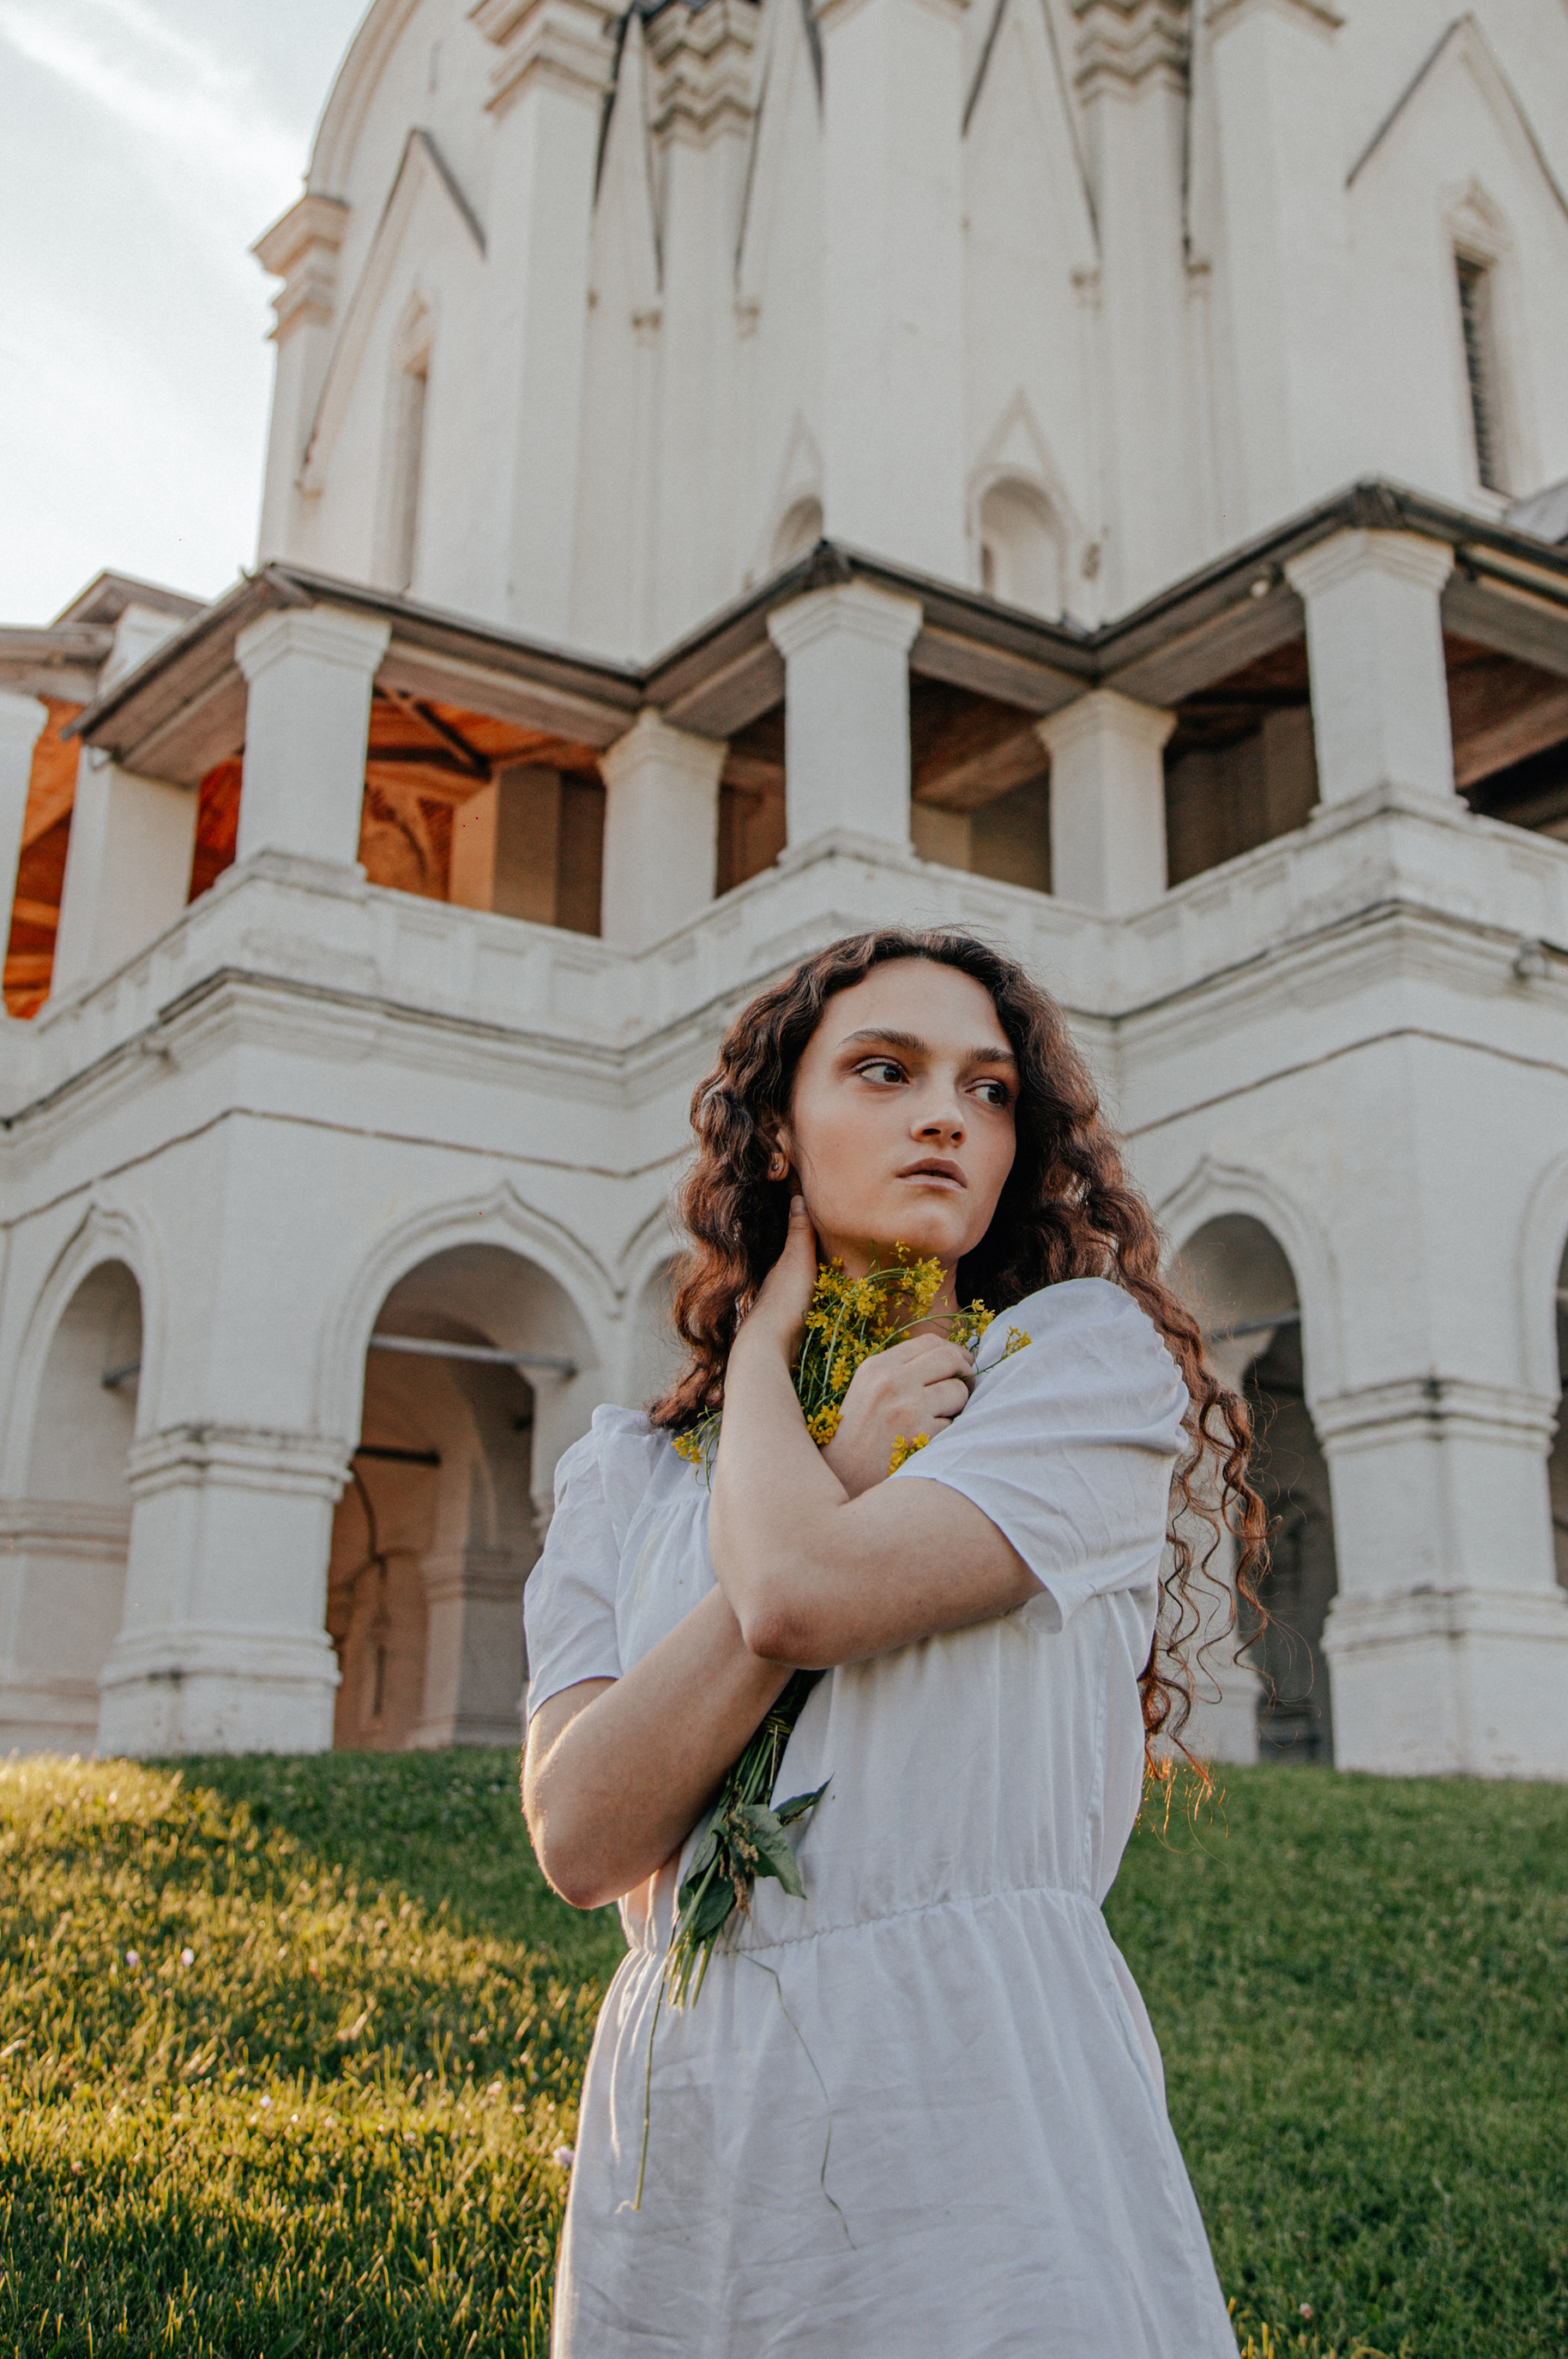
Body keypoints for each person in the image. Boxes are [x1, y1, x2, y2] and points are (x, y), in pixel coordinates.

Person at [521, 925, 1264, 2357]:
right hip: (700, 2112)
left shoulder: (1068, 1369)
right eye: (884, 1070)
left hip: (976, 2089)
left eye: (990, 1090)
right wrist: (796, 1410)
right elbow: (584, 1836)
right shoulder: (630, 1476)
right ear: (777, 1136)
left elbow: (797, 1596)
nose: (947, 1116)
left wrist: (813, 1495)